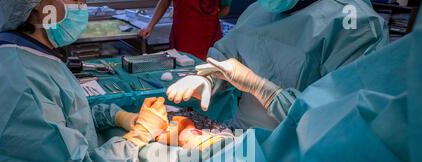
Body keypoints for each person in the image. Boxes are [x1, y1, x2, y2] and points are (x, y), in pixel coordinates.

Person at [0, 0, 169, 162]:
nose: (82, 4)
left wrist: (118, 116)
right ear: (38, 6)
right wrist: (138, 137)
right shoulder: (21, 84)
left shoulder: (28, 57)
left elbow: (68, 112)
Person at [166, 0, 389, 130]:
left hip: (296, 157)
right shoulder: (261, 9)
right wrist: (208, 77)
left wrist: (265, 90)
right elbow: (227, 54)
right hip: (240, 136)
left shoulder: (355, 25)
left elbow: (339, 122)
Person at [138, 0, 232, 60]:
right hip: (181, 38)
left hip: (208, 40)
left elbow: (225, 9)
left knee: (205, 76)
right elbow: (165, 2)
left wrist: (205, 18)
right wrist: (150, 26)